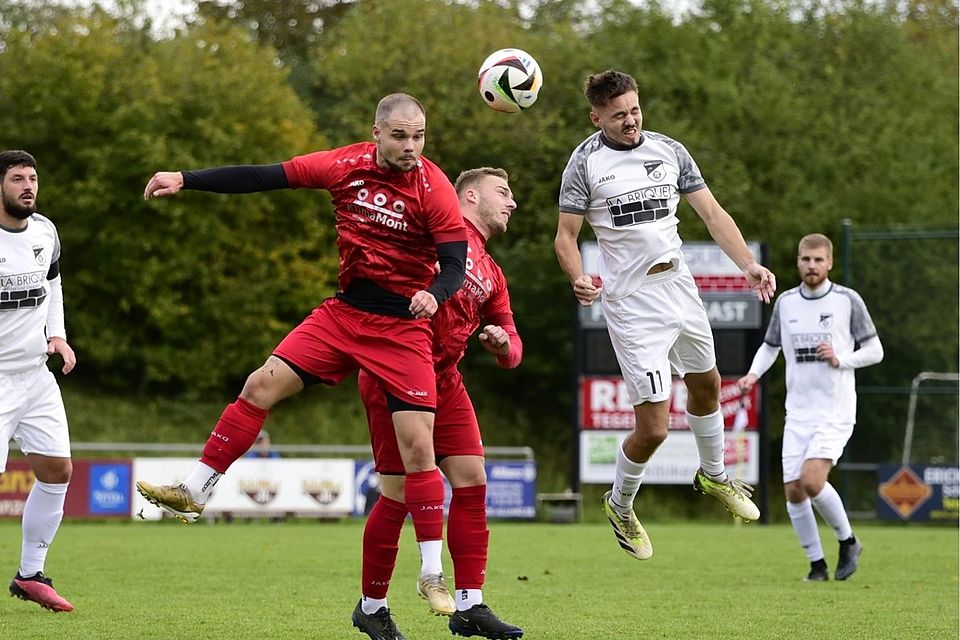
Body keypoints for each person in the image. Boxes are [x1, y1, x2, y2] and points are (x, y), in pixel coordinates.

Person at [134, 94, 468, 584]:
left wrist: (435, 294)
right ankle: (196, 489)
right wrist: (187, 178)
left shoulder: (434, 187)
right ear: (376, 132)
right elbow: (262, 177)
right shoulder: (342, 165)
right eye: (400, 136)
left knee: (418, 450)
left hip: (402, 328)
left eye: (419, 136)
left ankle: (432, 573)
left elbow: (455, 264)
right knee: (259, 385)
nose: (411, 146)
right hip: (345, 315)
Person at [554, 70, 777, 561]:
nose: (631, 121)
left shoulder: (670, 151)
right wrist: (577, 277)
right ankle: (619, 503)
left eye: (634, 110)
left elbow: (713, 215)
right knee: (654, 428)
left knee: (707, 384)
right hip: (633, 304)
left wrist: (748, 265)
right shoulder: (585, 163)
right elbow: (566, 236)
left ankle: (714, 475)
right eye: (618, 115)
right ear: (597, 118)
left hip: (679, 285)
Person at [353, 168, 523, 640]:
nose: (512, 203)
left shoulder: (491, 270)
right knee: (398, 493)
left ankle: (470, 604)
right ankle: (372, 606)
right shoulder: (431, 237)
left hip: (445, 381)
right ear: (469, 196)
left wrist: (501, 343)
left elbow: (513, 345)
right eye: (503, 193)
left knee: (472, 481)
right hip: (395, 371)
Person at [738, 233, 882, 582]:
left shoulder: (847, 300)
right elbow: (771, 346)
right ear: (798, 261)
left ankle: (848, 541)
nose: (812, 266)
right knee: (794, 490)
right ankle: (817, 566)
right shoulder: (786, 303)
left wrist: (841, 359)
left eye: (819, 260)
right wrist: (752, 375)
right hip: (798, 412)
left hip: (835, 411)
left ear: (830, 263)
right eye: (806, 259)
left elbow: (876, 350)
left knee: (812, 480)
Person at [0, 150, 77, 612]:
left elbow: (54, 285)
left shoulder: (45, 231)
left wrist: (58, 336)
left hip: (34, 376)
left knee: (57, 471)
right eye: (16, 179)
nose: (27, 186)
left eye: (32, 178)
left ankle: (30, 575)